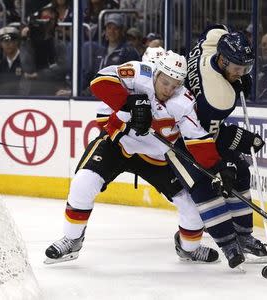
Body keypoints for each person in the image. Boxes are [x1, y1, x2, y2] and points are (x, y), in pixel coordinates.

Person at [44, 50, 219, 265]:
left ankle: (189, 248)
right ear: (156, 73)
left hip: (158, 156)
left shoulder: (184, 101)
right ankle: (72, 239)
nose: (169, 90)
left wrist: (215, 168)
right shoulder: (139, 73)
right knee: (83, 183)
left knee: (192, 205)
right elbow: (99, 84)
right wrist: (130, 103)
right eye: (165, 83)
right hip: (119, 145)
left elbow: (197, 139)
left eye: (175, 85)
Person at [181, 24, 267, 269]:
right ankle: (227, 242)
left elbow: (213, 30)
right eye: (237, 68)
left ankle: (243, 236)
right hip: (179, 136)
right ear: (222, 61)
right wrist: (235, 140)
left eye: (247, 68)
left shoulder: (213, 41)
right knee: (207, 181)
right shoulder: (217, 98)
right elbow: (205, 140)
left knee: (241, 170)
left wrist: (237, 78)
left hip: (196, 121)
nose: (242, 73)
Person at [0, 26, 26, 95]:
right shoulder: (1, 65)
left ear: (16, 42)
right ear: (1, 44)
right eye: (4, 41)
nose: (7, 44)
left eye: (10, 40)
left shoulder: (25, 61)